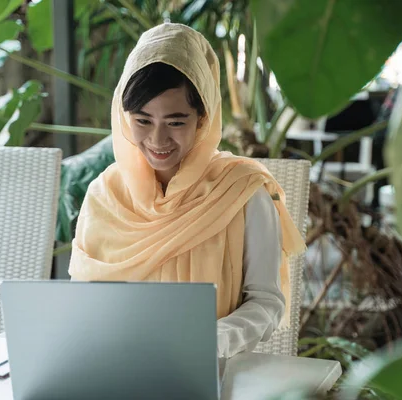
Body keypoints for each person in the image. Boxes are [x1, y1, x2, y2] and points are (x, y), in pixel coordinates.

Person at [68, 23, 305, 359]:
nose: (158, 140)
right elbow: (81, 300)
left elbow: (266, 302)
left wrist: (208, 342)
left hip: (208, 369)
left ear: (202, 117)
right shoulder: (104, 195)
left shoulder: (243, 193)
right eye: (143, 120)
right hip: (112, 363)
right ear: (124, 117)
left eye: (176, 122)